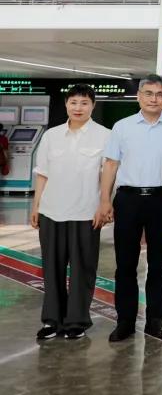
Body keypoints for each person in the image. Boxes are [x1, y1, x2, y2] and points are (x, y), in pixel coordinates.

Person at [99, 74, 162, 342]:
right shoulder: (122, 127)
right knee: (125, 263)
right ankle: (125, 321)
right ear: (139, 96)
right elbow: (111, 164)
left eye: (159, 94)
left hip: (161, 198)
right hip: (128, 200)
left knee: (159, 264)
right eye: (148, 93)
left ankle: (155, 321)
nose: (154, 99)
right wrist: (104, 200)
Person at [30, 84, 111, 340]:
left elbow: (108, 176)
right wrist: (36, 205)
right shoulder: (51, 136)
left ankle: (77, 321)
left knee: (82, 269)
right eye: (74, 102)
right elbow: (42, 173)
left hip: (85, 212)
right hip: (51, 210)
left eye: (84, 103)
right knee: (51, 268)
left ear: (93, 106)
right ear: (66, 104)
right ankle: (52, 320)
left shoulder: (105, 136)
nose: (78, 108)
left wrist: (105, 205)